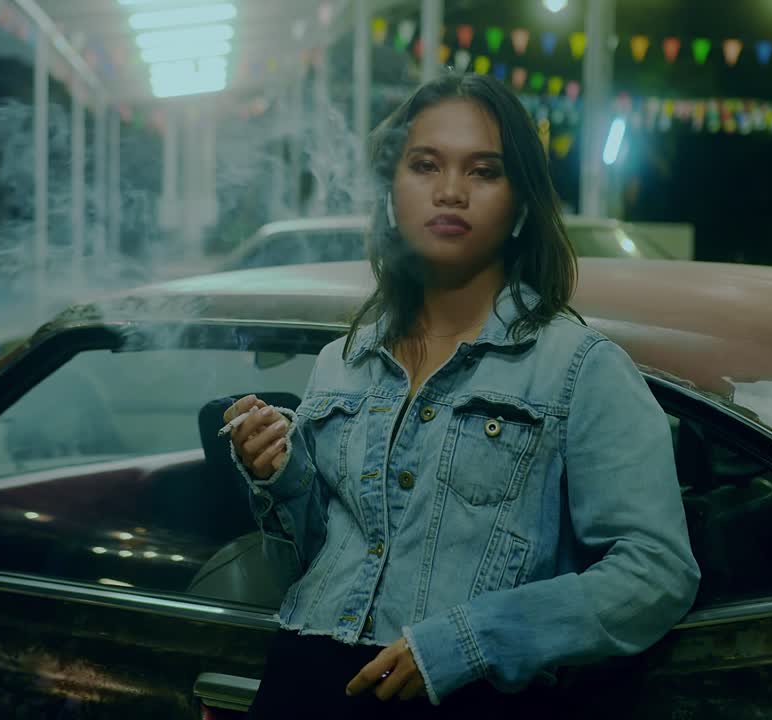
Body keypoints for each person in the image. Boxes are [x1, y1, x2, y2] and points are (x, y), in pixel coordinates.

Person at [223, 72, 699, 719]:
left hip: (465, 698)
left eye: (484, 171)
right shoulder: (344, 359)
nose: (450, 191)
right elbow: (326, 551)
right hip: (302, 680)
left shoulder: (578, 369)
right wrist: (280, 470)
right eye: (425, 165)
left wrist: (471, 641)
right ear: (392, 192)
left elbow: (656, 573)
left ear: (521, 203)